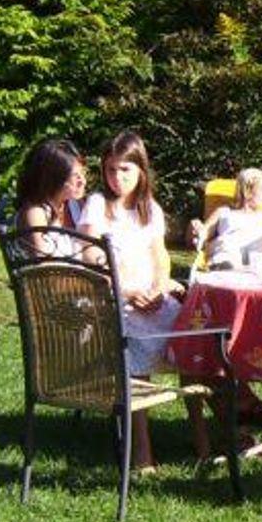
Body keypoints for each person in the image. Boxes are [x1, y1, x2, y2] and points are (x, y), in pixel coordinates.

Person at [80, 131, 192, 467]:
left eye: (125, 170)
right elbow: (90, 257)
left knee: (195, 336)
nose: (117, 178)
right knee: (135, 348)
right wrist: (127, 290)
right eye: (111, 170)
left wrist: (158, 288)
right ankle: (141, 451)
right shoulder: (98, 205)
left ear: (141, 170)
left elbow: (161, 256)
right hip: (114, 298)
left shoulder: (150, 209)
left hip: (152, 297)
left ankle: (211, 437)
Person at [192, 167, 262, 269]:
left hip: (259, 251)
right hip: (232, 251)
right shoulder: (225, 212)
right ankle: (224, 266)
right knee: (224, 243)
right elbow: (206, 232)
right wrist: (199, 230)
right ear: (247, 191)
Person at [16, 138, 89, 259]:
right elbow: (43, 260)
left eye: (83, 173)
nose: (83, 181)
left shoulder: (75, 205)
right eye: (75, 176)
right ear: (54, 179)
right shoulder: (35, 212)